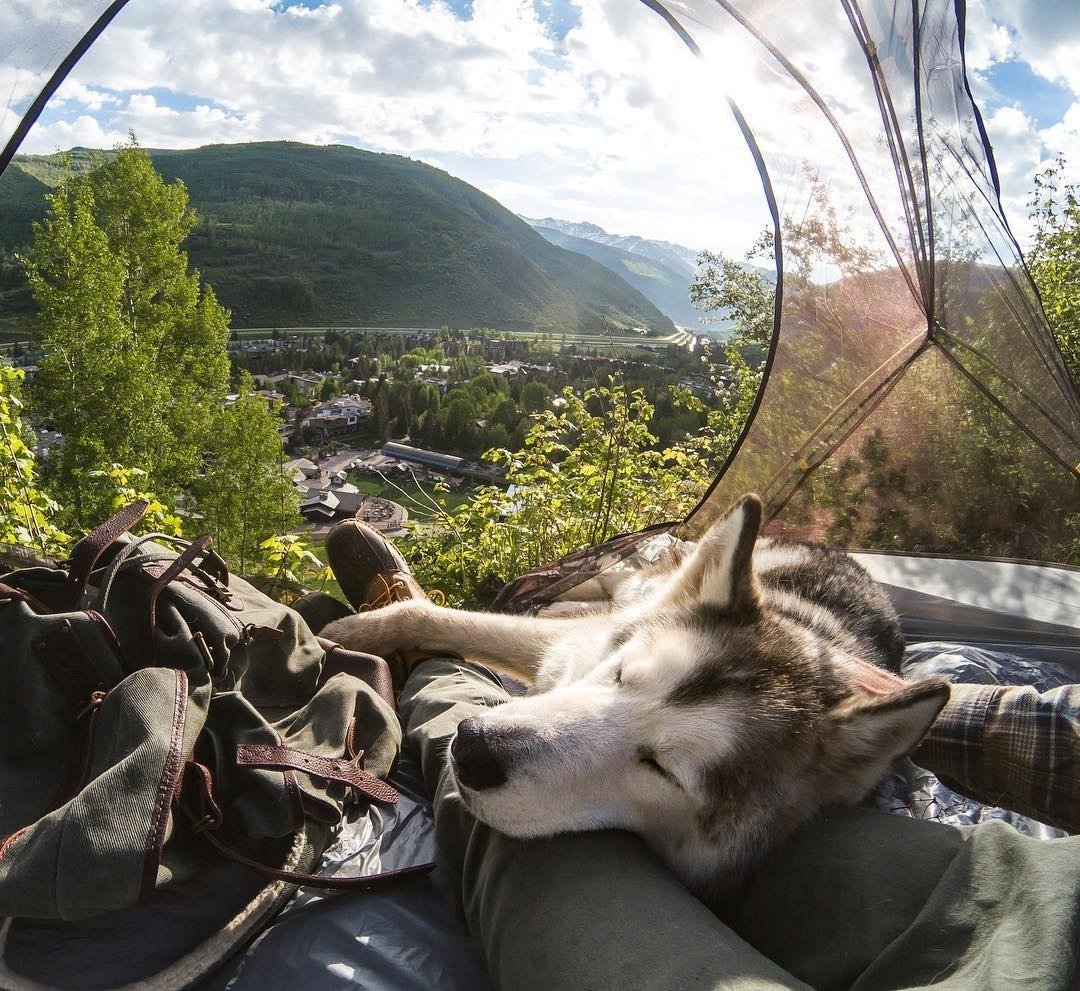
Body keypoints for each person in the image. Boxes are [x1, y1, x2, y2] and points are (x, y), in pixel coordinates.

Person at [297, 520, 1080, 991]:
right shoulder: (681, 630)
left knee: (514, 802)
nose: (512, 736)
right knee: (818, 862)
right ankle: (420, 625)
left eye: (664, 764)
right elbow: (576, 653)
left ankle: (434, 679)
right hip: (1032, 901)